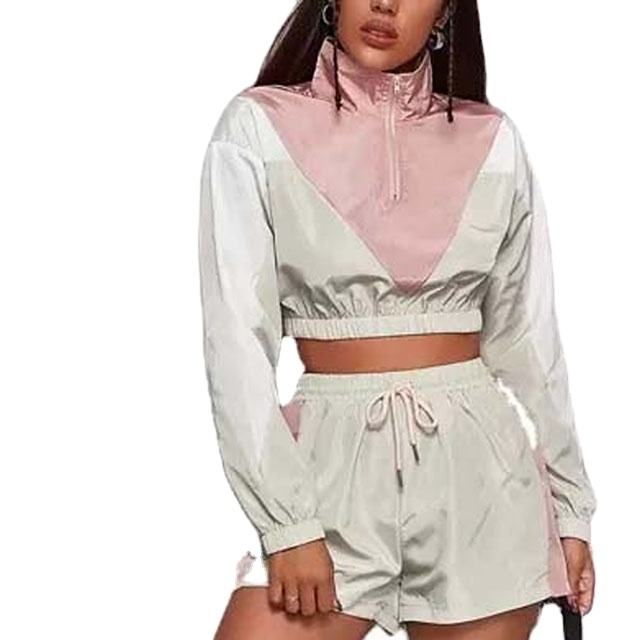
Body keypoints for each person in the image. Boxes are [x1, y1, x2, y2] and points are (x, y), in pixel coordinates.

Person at [197, 1, 597, 638]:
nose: (386, 2)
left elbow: (528, 341)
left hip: (483, 486)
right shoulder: (257, 127)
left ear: (445, 11)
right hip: (329, 473)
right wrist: (287, 524)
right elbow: (236, 342)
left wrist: (571, 508)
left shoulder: (492, 139)